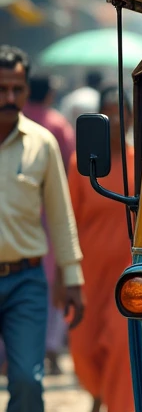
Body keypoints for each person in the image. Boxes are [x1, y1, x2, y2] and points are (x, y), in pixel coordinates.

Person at [0, 46, 84, 412]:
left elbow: (60, 213)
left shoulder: (41, 144)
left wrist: (72, 279)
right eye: (2, 89)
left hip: (27, 278)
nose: (9, 98)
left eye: (16, 89)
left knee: (29, 382)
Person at [67, 87, 135, 412]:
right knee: (84, 344)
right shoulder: (81, 163)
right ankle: (96, 395)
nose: (116, 122)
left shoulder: (140, 161)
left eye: (121, 114)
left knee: (120, 344)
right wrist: (65, 275)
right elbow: (68, 220)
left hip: (125, 271)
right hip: (87, 270)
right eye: (108, 114)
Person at [23, 73, 76, 375]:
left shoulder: (14, 121)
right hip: (50, 212)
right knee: (53, 279)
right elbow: (71, 170)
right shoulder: (56, 125)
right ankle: (52, 349)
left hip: (18, 212)